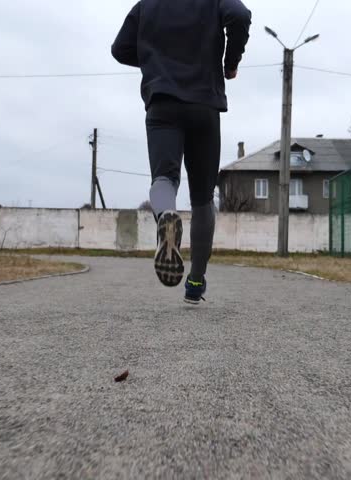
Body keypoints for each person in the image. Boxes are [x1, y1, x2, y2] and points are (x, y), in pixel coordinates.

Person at [111, 0, 252, 304]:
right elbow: (240, 15)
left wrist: (156, 59)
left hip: (162, 103)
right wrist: (230, 63)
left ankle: (166, 217)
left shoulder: (146, 5)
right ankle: (196, 282)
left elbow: (120, 49)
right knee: (203, 199)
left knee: (164, 179)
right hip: (204, 105)